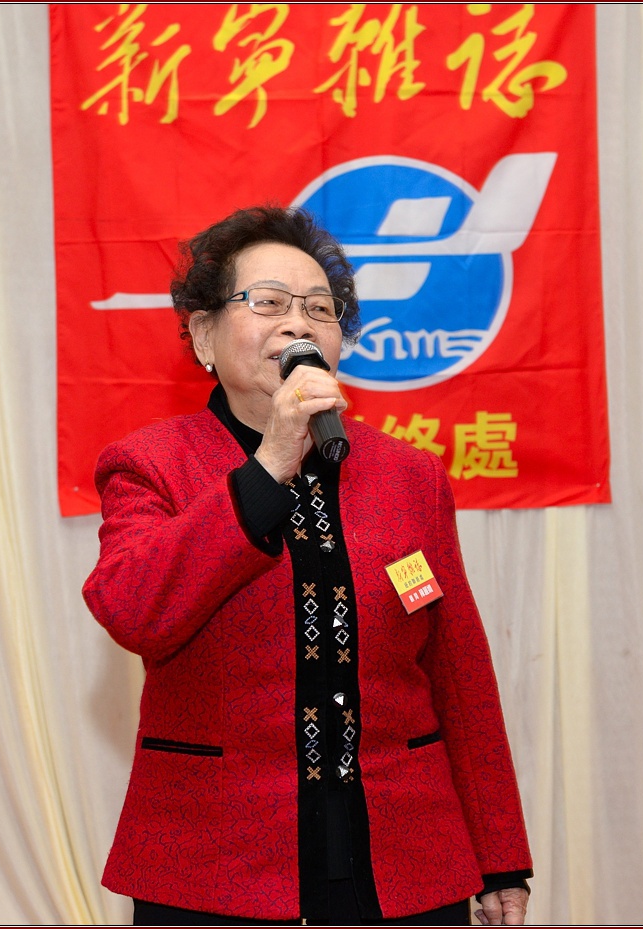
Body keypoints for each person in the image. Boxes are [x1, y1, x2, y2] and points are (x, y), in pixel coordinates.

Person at [82, 206, 532, 926]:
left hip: (407, 856)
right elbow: (135, 610)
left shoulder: (409, 475)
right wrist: (269, 465)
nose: (298, 325)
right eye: (268, 303)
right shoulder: (151, 465)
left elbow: (458, 670)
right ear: (204, 334)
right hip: (217, 863)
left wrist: (499, 852)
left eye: (320, 310)